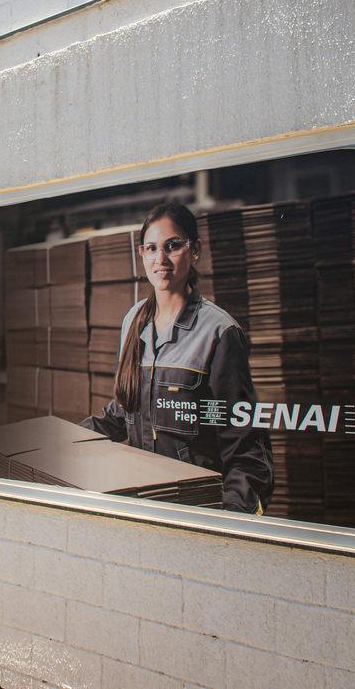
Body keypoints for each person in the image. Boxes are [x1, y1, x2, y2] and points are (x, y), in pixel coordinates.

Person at [82, 202, 274, 514]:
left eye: (173, 246)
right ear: (141, 254)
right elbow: (127, 410)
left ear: (194, 250)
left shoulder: (219, 331)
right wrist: (65, 440)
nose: (161, 259)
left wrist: (229, 520)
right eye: (152, 248)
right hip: (144, 499)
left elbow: (245, 447)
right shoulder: (134, 321)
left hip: (197, 509)